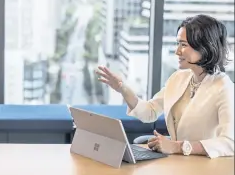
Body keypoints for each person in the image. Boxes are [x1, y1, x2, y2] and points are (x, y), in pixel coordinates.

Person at [96, 14, 234, 158]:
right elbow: (149, 112)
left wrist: (178, 146)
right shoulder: (179, 78)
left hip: (204, 171)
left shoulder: (224, 88)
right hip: (177, 165)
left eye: (183, 45)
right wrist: (122, 89)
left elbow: (230, 143)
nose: (177, 51)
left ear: (205, 47)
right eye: (178, 44)